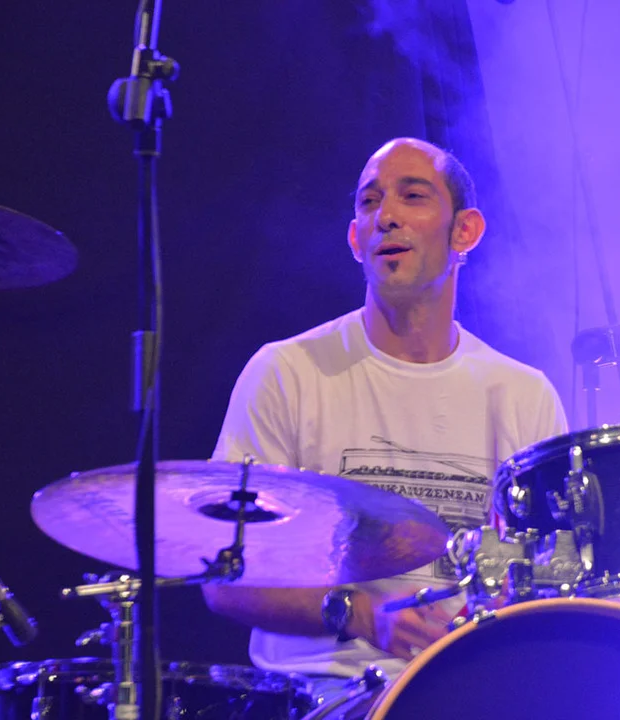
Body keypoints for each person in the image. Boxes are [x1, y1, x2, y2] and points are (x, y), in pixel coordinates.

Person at [202, 137, 568, 691]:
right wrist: (358, 613)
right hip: (322, 694)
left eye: (412, 196)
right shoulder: (287, 371)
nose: (386, 216)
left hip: (468, 688)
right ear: (356, 239)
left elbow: (556, 578)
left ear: (465, 231)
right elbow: (224, 579)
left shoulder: (524, 394)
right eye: (370, 202)